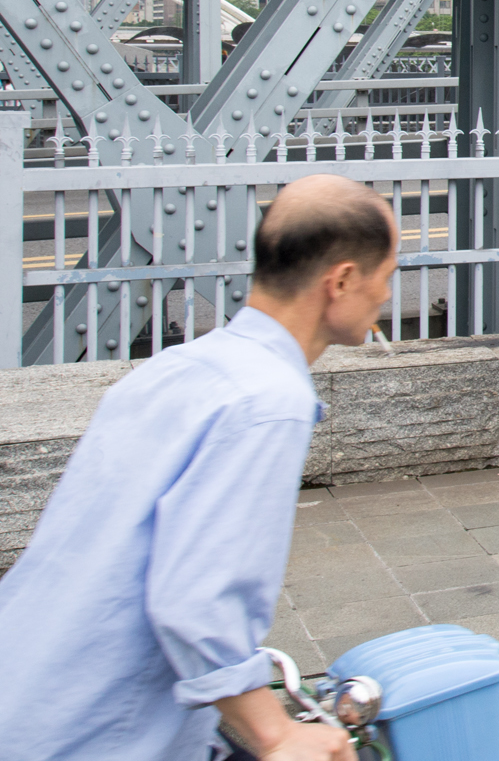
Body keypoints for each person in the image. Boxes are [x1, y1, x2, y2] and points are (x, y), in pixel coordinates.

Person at [0, 174, 400, 760]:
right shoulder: (268, 403)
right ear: (340, 281)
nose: (387, 296)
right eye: (386, 277)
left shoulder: (178, 368)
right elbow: (197, 600)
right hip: (96, 731)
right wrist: (276, 733)